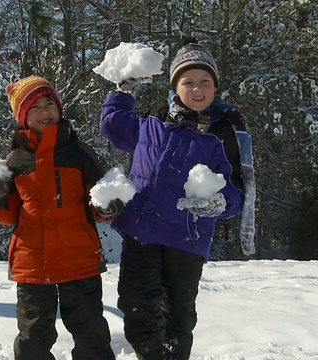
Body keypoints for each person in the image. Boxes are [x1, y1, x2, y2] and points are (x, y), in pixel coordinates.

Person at [100, 38, 256, 360]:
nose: (197, 89)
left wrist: (221, 201)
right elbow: (113, 125)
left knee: (179, 317)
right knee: (135, 304)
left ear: (214, 87)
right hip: (142, 232)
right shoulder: (153, 123)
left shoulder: (223, 135)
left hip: (187, 238)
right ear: (175, 86)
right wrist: (123, 90)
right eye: (188, 82)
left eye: (205, 82)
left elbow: (238, 191)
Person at [0, 75, 118, 360]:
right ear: (23, 118)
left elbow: (99, 202)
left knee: (91, 335)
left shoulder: (79, 154)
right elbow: (7, 215)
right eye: (34, 106)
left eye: (49, 103)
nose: (44, 110)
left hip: (80, 261)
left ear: (59, 109)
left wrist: (109, 206)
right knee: (32, 340)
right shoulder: (14, 161)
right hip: (33, 265)